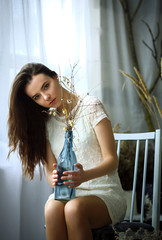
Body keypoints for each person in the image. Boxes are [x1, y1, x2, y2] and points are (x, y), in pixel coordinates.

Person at [8, 63, 127, 240]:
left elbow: (112, 160)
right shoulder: (47, 124)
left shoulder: (91, 107)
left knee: (73, 209)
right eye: (37, 97)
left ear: (56, 77)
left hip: (104, 193)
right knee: (52, 208)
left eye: (46, 86)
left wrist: (84, 176)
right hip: (68, 194)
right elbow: (50, 172)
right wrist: (53, 178)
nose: (46, 97)